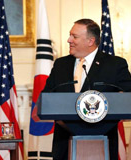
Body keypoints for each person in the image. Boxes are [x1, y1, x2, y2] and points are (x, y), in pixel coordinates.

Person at [42, 19, 131, 160]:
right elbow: (46, 97)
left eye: (74, 36)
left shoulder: (115, 65)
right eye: (70, 35)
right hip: (65, 144)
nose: (69, 40)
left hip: (104, 141)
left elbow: (127, 98)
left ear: (90, 41)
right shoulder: (60, 64)